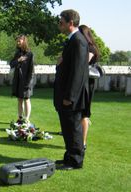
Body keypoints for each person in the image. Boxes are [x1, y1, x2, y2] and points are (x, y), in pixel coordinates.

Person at [54, 9, 89, 170]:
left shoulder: (78, 41)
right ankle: (69, 156)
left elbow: (78, 72)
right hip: (65, 93)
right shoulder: (72, 40)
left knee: (73, 128)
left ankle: (75, 161)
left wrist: (70, 96)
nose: (59, 24)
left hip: (71, 96)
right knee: (67, 128)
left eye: (61, 22)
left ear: (71, 23)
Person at [79, 25, 100, 150]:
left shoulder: (90, 48)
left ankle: (83, 142)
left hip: (87, 83)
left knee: (84, 114)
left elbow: (83, 62)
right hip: (82, 81)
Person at [10, 35, 35, 124]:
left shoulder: (30, 54)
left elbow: (31, 70)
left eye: (19, 41)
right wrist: (18, 60)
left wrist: (28, 83)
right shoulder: (17, 53)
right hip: (18, 80)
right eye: (17, 41)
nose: (17, 43)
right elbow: (11, 64)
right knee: (19, 99)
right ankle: (20, 118)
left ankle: (27, 119)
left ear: (24, 41)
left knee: (26, 99)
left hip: (27, 81)